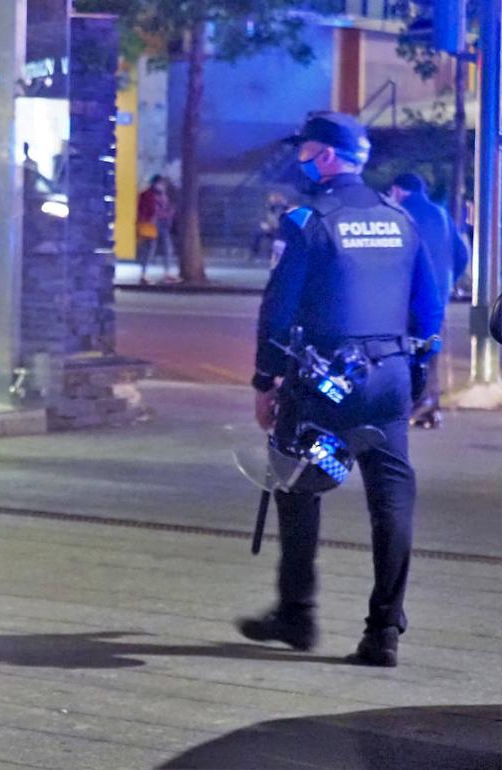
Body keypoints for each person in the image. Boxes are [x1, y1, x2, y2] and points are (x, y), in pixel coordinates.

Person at [239, 112, 442, 668]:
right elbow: (429, 304)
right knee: (391, 499)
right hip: (389, 378)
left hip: (325, 382)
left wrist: (265, 379)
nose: (299, 156)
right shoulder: (398, 216)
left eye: (305, 148)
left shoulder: (307, 218)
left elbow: (278, 308)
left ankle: (297, 614)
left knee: (298, 482)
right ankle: (384, 632)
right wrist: (419, 372)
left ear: (325, 155)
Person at [387, 173, 470, 429]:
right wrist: (446, 282)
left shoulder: (397, 213)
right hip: (437, 299)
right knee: (429, 351)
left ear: (398, 190)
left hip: (405, 295)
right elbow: (461, 254)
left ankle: (406, 407)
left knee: (399, 351)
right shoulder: (441, 215)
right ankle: (431, 408)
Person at [136, 174, 176, 283]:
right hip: (151, 223)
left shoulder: (164, 195)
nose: (161, 185)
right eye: (160, 183)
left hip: (162, 223)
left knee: (167, 248)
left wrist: (169, 214)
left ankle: (167, 274)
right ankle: (143, 275)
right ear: (154, 183)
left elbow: (166, 207)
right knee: (150, 249)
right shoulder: (146, 195)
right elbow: (142, 210)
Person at [251, 191, 290, 264]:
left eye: (278, 197)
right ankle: (254, 255)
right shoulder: (267, 208)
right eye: (274, 197)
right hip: (270, 228)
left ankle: (277, 257)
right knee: (257, 234)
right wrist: (264, 225)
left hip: (280, 230)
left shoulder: (285, 208)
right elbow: (261, 219)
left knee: (279, 238)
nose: (275, 199)